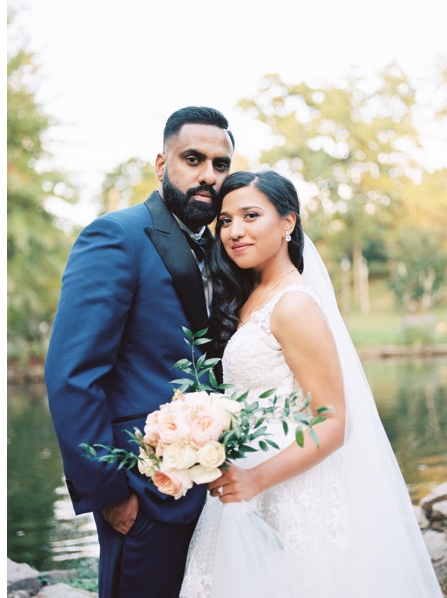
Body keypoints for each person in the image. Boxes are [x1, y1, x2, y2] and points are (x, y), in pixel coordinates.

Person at [180, 170, 441, 597]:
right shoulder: (252, 295)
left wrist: (256, 480)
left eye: (250, 215)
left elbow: (334, 421)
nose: (234, 231)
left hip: (290, 490)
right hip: (247, 488)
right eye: (225, 221)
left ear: (287, 223)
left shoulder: (294, 304)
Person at [44, 106, 235, 597]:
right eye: (193, 159)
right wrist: (110, 493)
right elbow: (72, 374)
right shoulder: (116, 236)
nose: (207, 176)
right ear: (161, 163)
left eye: (220, 165)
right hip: (144, 493)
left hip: (217, 492)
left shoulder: (227, 251)